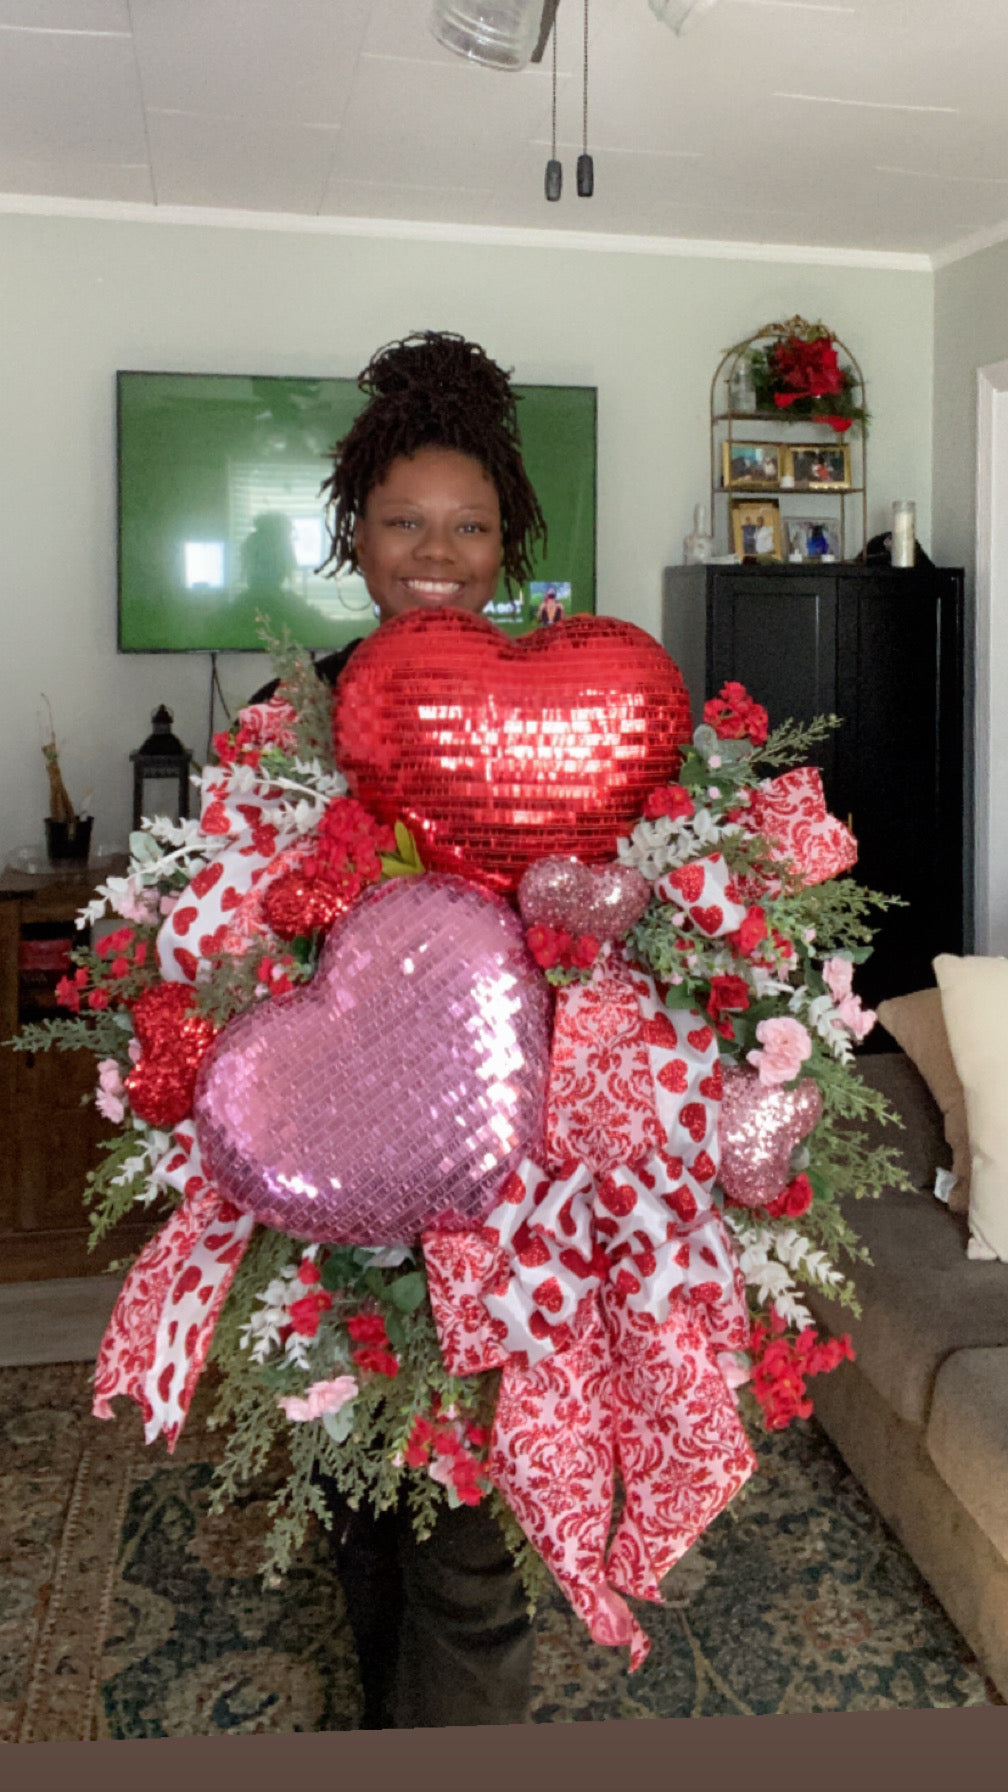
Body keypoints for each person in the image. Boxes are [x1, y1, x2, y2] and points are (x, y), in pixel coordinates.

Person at [250, 331, 548, 1729]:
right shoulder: (288, 713)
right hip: (321, 1178)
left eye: (469, 525)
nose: (438, 552)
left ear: (510, 542)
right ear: (355, 538)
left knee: (471, 1540)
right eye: (404, 522)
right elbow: (236, 944)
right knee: (359, 1514)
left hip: (510, 1183)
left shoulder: (567, 702)